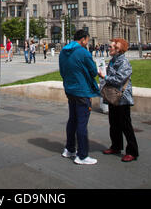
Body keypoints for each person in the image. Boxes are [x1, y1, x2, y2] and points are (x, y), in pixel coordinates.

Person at [59, 29, 100, 165]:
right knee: (82, 123)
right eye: (87, 40)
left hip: (70, 89)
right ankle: (82, 155)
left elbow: (62, 71)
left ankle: (69, 149)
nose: (87, 42)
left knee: (72, 120)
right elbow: (93, 71)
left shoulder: (63, 51)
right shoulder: (83, 52)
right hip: (82, 91)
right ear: (83, 39)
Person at [98, 38, 139, 162]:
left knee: (126, 125)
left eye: (111, 47)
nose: (108, 48)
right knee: (114, 123)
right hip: (113, 97)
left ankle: (132, 151)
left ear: (118, 49)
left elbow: (119, 79)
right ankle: (116, 146)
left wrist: (105, 76)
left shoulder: (124, 62)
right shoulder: (112, 61)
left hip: (122, 97)